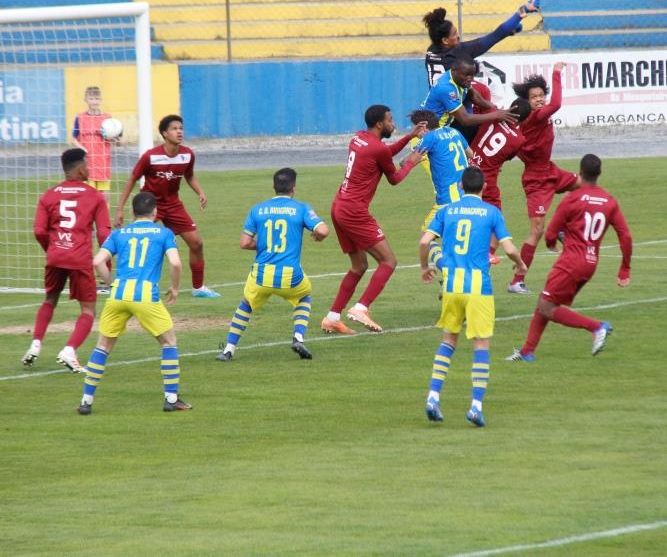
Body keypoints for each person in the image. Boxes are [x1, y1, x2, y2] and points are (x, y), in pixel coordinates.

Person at [419, 166, 526, 427]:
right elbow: (509, 247)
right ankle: (476, 406)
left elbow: (425, 242)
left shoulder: (446, 211)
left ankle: (433, 397)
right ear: (484, 187)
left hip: (452, 287)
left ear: (461, 187)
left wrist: (426, 266)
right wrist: (521, 265)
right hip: (479, 289)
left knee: (448, 341)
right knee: (481, 345)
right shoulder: (491, 212)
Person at [507, 154, 632, 362]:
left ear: (580, 173)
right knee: (545, 301)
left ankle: (596, 327)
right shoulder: (609, 201)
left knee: (547, 306)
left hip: (571, 261)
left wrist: (551, 243)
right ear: (599, 174)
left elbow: (550, 233)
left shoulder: (572, 199)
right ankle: (527, 352)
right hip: (590, 263)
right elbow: (625, 236)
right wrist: (624, 269)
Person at [77, 192, 188, 414]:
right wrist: (175, 288)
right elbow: (175, 263)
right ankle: (171, 398)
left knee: (103, 346)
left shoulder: (119, 233)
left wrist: (111, 284)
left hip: (118, 295)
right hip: (145, 295)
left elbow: (97, 261)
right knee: (168, 342)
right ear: (155, 212)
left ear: (132, 212)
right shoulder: (164, 232)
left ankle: (86, 401)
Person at [320, 104, 426, 335]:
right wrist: (411, 162)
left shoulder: (358, 138)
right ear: (379, 124)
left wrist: (409, 137)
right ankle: (361, 308)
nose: (393, 124)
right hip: (354, 212)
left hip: (339, 206)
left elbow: (383, 153)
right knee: (388, 261)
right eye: (390, 120)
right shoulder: (377, 149)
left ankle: (332, 317)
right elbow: (395, 178)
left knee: (359, 266)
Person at [216, 168, 329, 362]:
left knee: (246, 304)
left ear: (274, 187)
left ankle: (228, 349)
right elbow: (324, 230)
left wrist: (264, 246)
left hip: (261, 274)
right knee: (304, 297)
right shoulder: (301, 208)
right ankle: (298, 337)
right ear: (293, 188)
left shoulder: (257, 209)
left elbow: (244, 243)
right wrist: (317, 235)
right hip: (290, 276)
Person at [23, 148, 111, 373]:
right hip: (79, 258)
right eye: (87, 165)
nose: (89, 169)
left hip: (55, 255)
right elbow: (103, 235)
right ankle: (69, 350)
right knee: (88, 310)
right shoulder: (95, 196)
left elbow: (39, 230)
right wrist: (106, 267)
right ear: (80, 168)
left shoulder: (49, 195)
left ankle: (35, 344)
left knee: (50, 299)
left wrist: (52, 248)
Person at [114, 114, 220, 298]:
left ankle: (198, 288)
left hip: (173, 205)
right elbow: (133, 178)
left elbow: (189, 175)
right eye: (174, 128)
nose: (179, 131)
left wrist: (200, 192)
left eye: (181, 128)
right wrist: (120, 209)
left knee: (197, 243)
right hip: (149, 205)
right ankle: (130, 284)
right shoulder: (151, 156)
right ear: (164, 133)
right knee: (142, 247)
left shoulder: (187, 155)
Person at [507, 62, 580, 294]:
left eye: (541, 95)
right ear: (527, 102)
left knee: (583, 187)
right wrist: (557, 73)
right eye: (534, 96)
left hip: (551, 170)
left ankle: (559, 228)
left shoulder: (536, 115)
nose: (539, 99)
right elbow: (557, 103)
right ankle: (516, 281)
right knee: (536, 231)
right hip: (536, 179)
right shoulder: (535, 117)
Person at [468, 96, 532, 264]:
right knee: (496, 220)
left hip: (467, 170)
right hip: (485, 180)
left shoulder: (492, 113)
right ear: (525, 119)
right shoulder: (519, 139)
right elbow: (504, 157)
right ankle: (488, 253)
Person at [423, 0, 541, 89]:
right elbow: (493, 36)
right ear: (445, 40)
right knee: (482, 91)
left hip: (436, 110)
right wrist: (522, 11)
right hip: (454, 110)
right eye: (454, 34)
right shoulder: (458, 53)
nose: (458, 36)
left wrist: (506, 33)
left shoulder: (431, 51)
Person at [70, 86, 119, 202]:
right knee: (88, 193)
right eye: (91, 99)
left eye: (96, 99)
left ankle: (104, 215)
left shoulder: (107, 119)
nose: (94, 102)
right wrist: (83, 150)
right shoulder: (80, 118)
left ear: (101, 100)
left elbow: (115, 140)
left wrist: (117, 141)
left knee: (104, 193)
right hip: (87, 162)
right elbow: (74, 139)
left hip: (103, 161)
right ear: (86, 100)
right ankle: (90, 217)